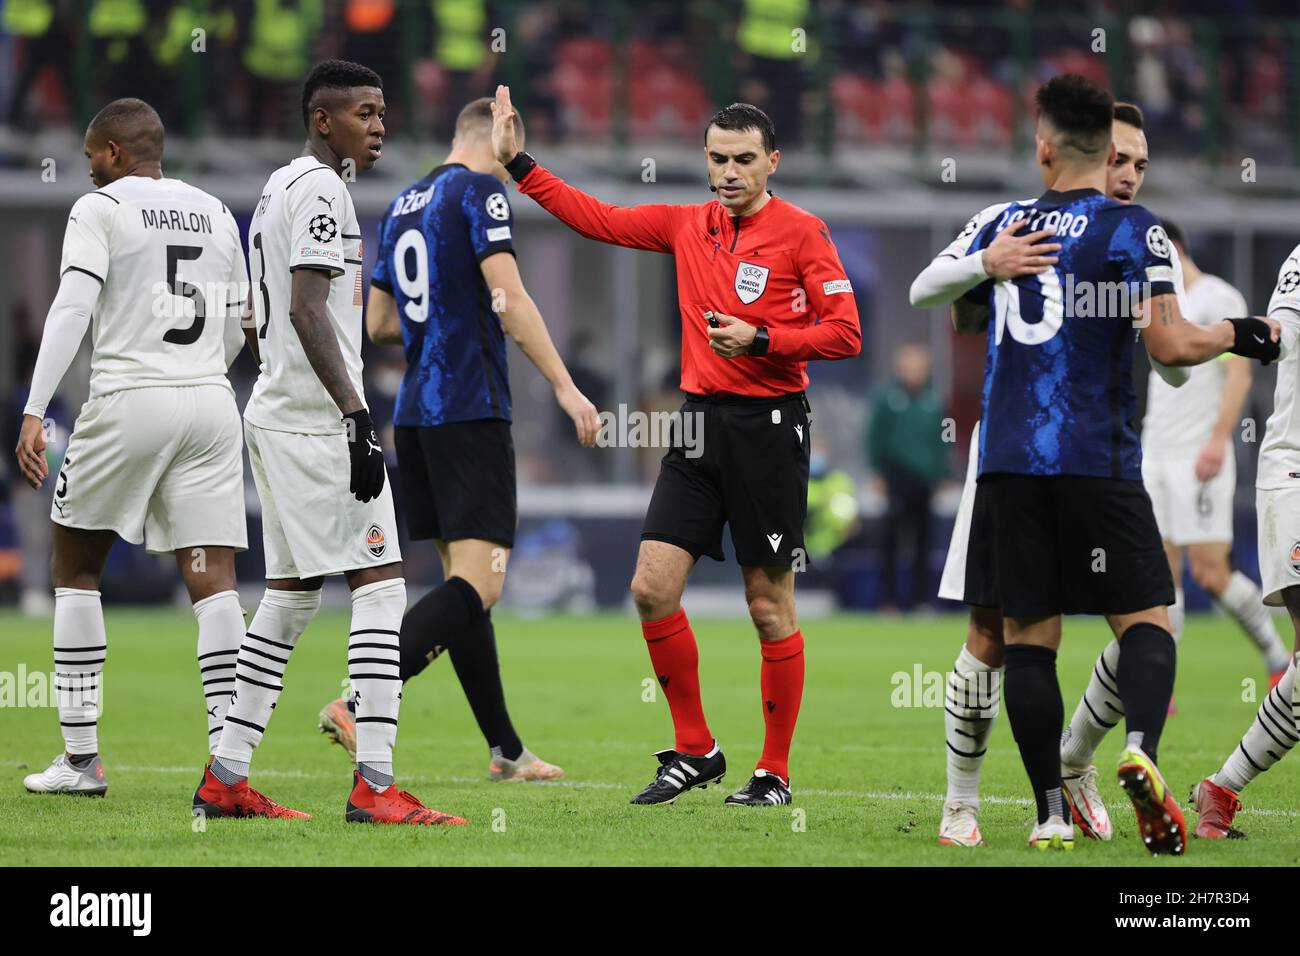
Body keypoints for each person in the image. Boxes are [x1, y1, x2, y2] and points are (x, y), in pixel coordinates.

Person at [914, 75, 1279, 854]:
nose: (1130, 172)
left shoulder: (1035, 222)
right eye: (1120, 157)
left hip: (1020, 461)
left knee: (1030, 639)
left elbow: (1167, 360)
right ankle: (976, 798)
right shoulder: (1094, 230)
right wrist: (1239, 333)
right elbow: (1175, 349)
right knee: (1036, 630)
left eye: (1142, 164)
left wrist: (986, 261)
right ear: (1089, 150)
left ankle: (1060, 790)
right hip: (1078, 460)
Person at [490, 86, 861, 807]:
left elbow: (845, 332)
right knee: (650, 589)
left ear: (772, 161)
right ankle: (696, 749)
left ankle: (774, 773)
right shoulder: (687, 225)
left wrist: (764, 339)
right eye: (718, 158)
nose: (728, 172)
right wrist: (520, 165)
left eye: (744, 160)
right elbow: (596, 217)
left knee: (767, 605)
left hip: (770, 427)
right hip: (697, 427)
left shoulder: (804, 233)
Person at [195, 60, 461, 826]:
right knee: (381, 584)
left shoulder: (279, 186)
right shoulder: (321, 191)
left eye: (382, 112)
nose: (378, 126)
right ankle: (376, 786)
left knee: (290, 596)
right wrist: (353, 414)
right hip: (316, 422)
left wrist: (281, 377)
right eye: (365, 113)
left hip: (281, 415)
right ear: (323, 119)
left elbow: (259, 314)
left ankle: (226, 776)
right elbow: (309, 310)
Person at [317, 96, 600, 782]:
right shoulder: (480, 190)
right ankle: (361, 698)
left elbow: (380, 322)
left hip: (414, 417)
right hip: (469, 409)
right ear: (500, 146)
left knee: (464, 586)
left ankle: (506, 749)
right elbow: (510, 299)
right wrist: (565, 386)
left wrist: (435, 314)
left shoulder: (406, 201)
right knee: (482, 584)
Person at [13, 98, 250, 798]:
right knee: (214, 581)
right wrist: (205, 365)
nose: (88, 171)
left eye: (91, 158)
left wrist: (34, 406)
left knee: (75, 564)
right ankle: (227, 766)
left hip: (130, 397)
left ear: (115, 152)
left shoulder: (101, 209)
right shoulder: (214, 210)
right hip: (211, 402)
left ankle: (81, 762)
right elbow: (244, 323)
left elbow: (73, 305)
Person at [1139, 219, 1289, 689]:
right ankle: (1160, 686)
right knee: (1162, 579)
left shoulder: (1219, 299)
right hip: (1155, 449)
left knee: (1211, 572)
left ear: (1174, 248)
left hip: (1198, 454)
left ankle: (1276, 655)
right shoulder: (1155, 302)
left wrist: (1218, 438)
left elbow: (1239, 376)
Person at [1189, 244, 1300, 839]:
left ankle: (1222, 787)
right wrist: (1226, 333)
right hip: (1295, 473)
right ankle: (1222, 787)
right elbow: (1278, 333)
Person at [867, 343, 947, 610]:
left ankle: (921, 600)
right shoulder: (887, 399)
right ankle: (888, 600)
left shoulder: (934, 401)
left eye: (919, 367)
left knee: (924, 542)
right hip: (896, 477)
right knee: (891, 541)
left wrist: (942, 473)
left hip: (924, 480)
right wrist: (878, 472)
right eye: (909, 366)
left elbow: (943, 440)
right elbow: (874, 437)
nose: (914, 372)